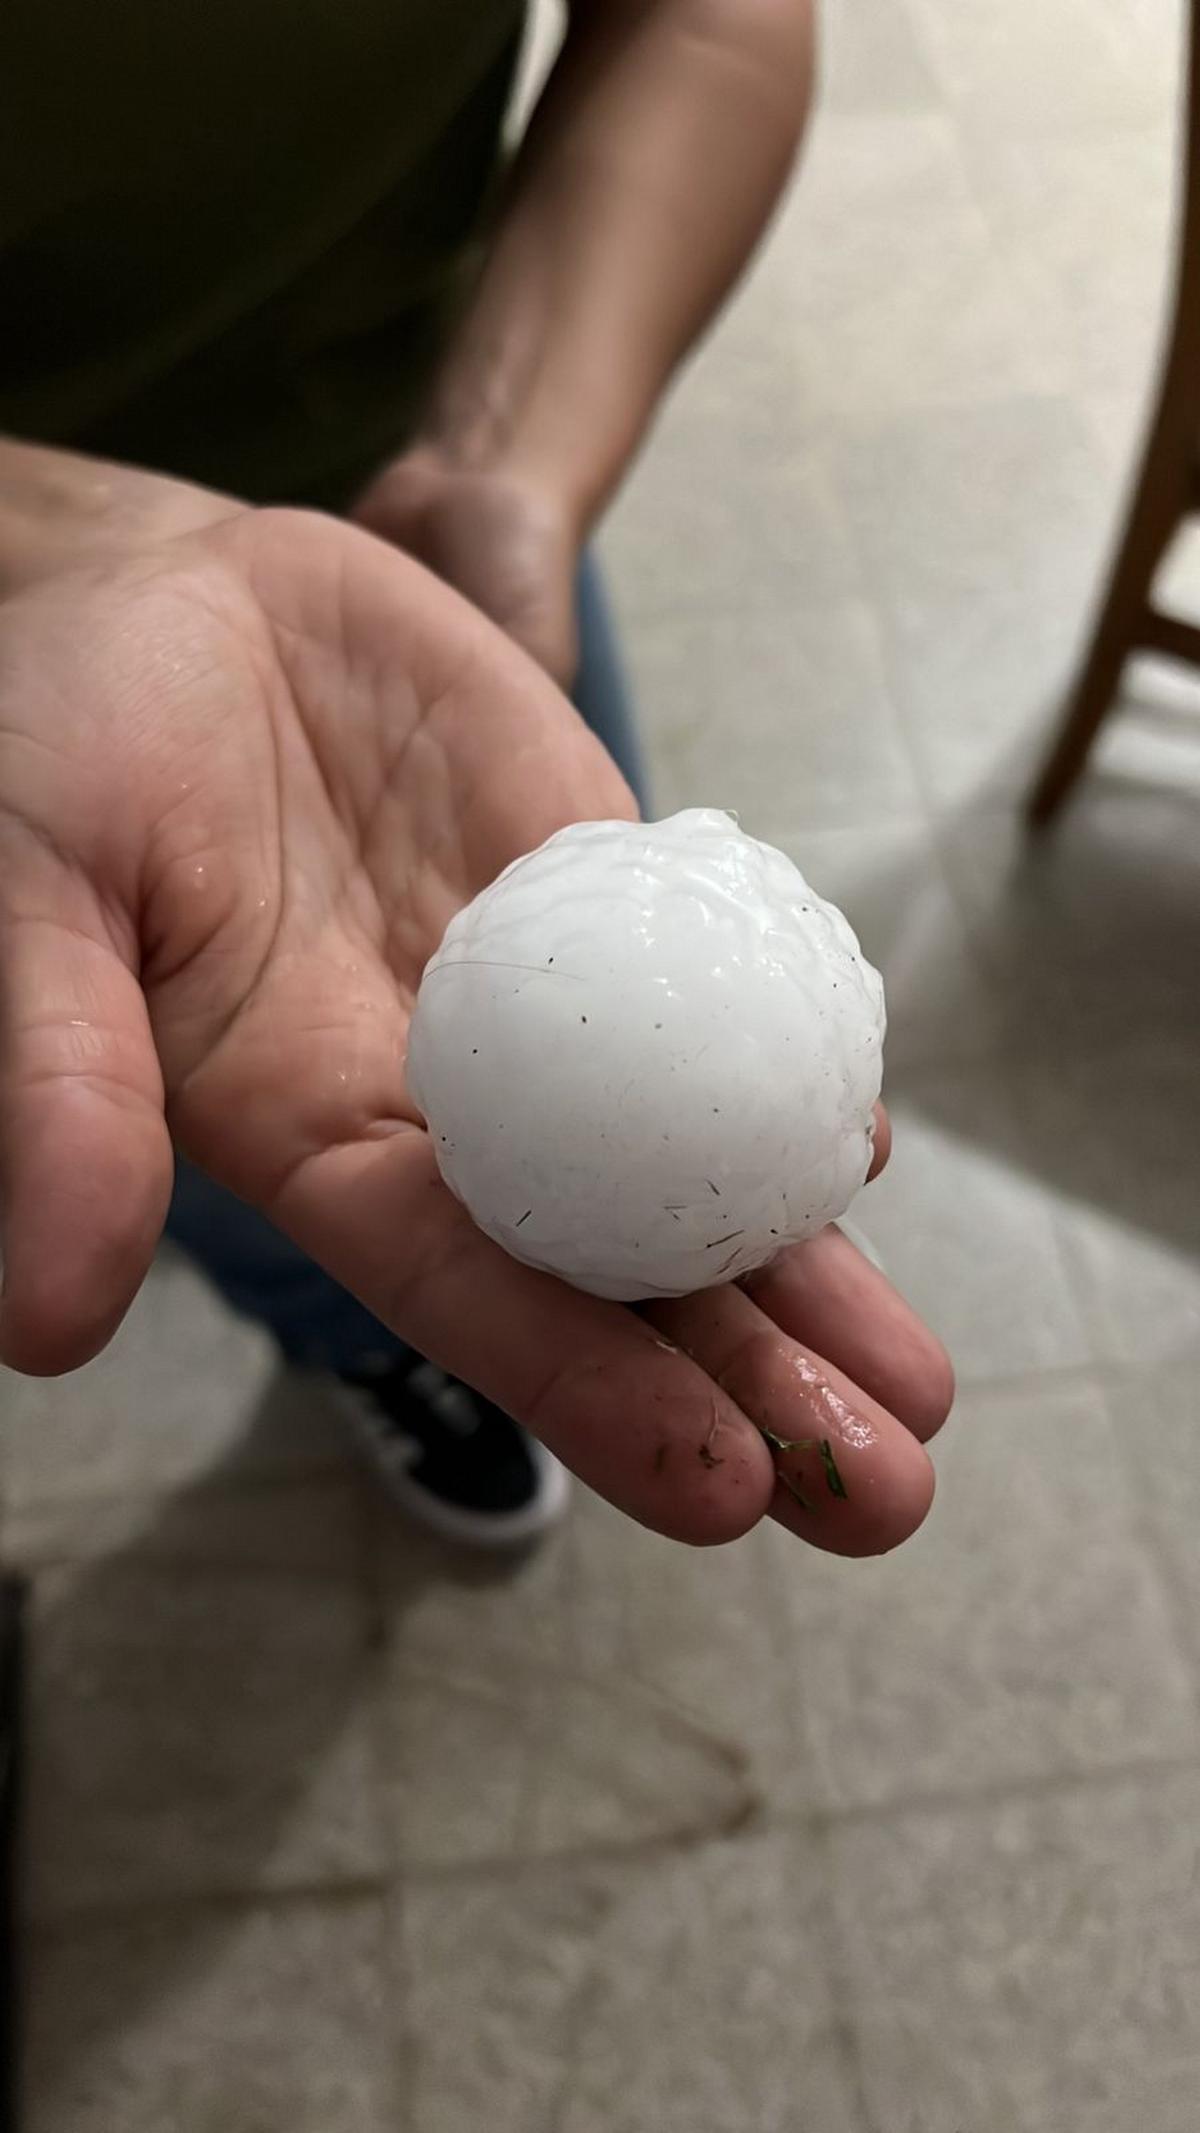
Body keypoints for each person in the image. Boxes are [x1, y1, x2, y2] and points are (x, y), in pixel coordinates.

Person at [0, 0, 953, 1557]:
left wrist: (506, 459)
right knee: (240, 1131)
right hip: (35, 667)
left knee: (470, 973)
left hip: (413, 575)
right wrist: (56, 544)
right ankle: (359, 1335)